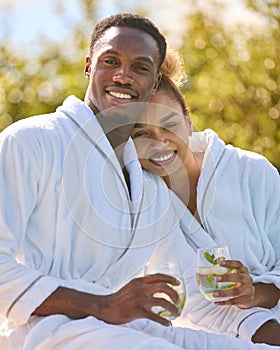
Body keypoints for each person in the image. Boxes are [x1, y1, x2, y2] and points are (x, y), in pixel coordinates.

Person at [0, 12, 278, 350]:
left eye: (140, 67)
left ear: (155, 80)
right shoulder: (30, 141)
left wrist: (258, 326)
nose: (122, 75)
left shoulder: (144, 180)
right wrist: (100, 304)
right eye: (110, 61)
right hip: (47, 328)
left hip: (120, 325)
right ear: (89, 66)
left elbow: (200, 297)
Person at [130, 49, 280, 346]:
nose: (158, 143)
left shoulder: (251, 173)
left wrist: (254, 292)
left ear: (188, 120)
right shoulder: (140, 198)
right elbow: (193, 304)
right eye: (140, 134)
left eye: (169, 126)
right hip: (203, 339)